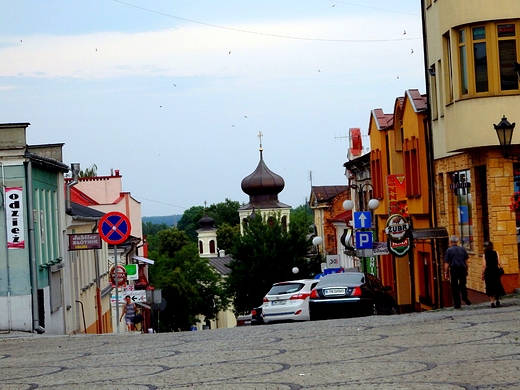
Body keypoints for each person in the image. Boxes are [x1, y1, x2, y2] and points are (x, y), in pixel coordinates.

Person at [444, 235, 471, 308]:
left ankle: (457, 303)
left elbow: (447, 263)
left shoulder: (449, 250)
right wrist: (466, 270)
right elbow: (466, 261)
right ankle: (465, 297)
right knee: (463, 284)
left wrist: (446, 272)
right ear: (457, 241)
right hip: (462, 268)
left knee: (454, 286)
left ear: (450, 242)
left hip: (454, 269)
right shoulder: (462, 249)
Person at [481, 241, 506, 308]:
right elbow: (499, 263)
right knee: (497, 284)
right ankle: (497, 299)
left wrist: (482, 274)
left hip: (488, 271)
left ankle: (492, 302)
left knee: (489, 286)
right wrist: (501, 269)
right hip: (495, 270)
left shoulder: (484, 255)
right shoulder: (496, 253)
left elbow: (484, 265)